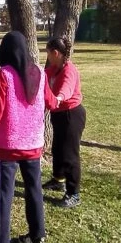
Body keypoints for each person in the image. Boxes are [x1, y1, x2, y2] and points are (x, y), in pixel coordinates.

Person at [0, 31, 60, 243]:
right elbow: (51, 102)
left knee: (5, 195)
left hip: (9, 147)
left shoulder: (6, 76)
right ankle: (37, 239)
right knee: (34, 191)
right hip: (33, 145)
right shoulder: (39, 74)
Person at [43, 36, 86, 208]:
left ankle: (73, 193)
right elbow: (42, 76)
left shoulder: (69, 70)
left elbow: (66, 89)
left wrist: (58, 98)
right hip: (58, 113)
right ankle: (58, 180)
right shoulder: (54, 68)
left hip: (71, 114)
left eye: (48, 53)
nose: (47, 57)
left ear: (55, 53)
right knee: (58, 148)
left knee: (70, 155)